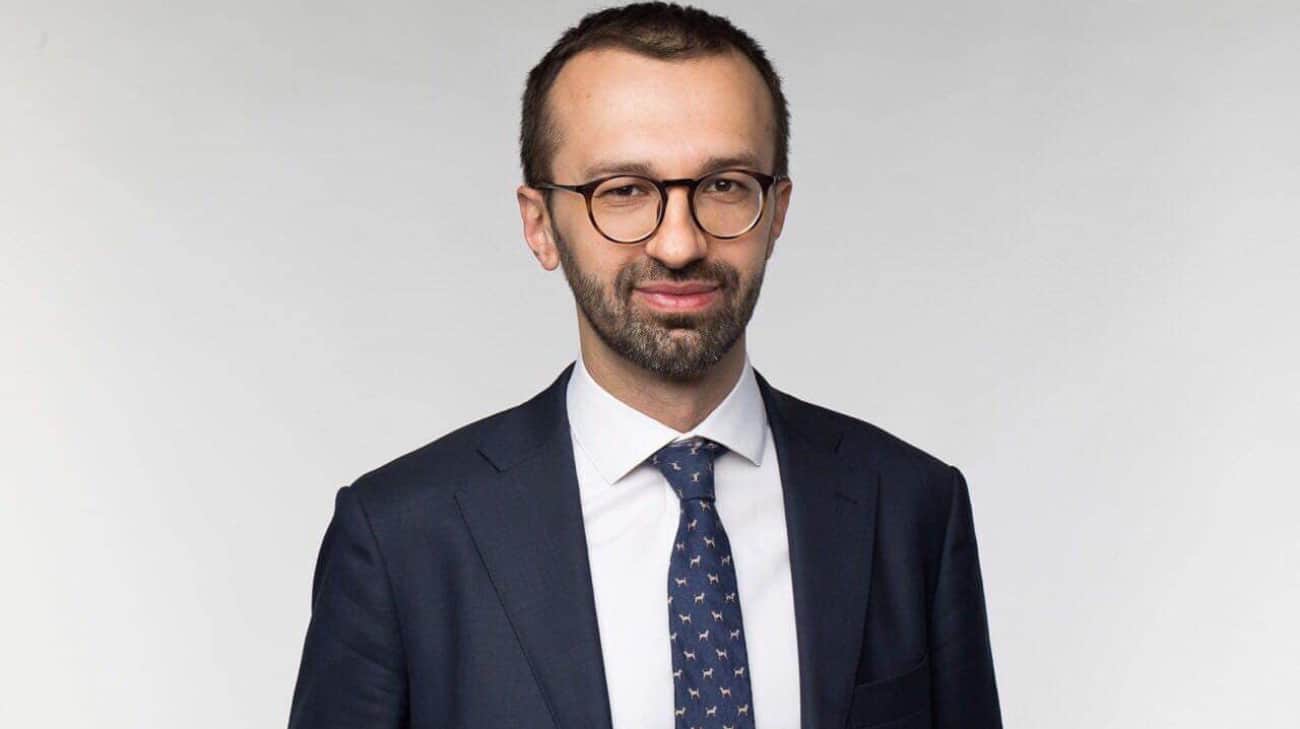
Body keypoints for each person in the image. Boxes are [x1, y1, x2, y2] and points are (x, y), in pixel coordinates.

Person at [286, 3, 1002, 728]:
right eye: (624, 191)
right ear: (540, 224)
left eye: (724, 185)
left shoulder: (911, 507)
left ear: (777, 211)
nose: (679, 243)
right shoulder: (400, 537)